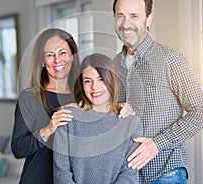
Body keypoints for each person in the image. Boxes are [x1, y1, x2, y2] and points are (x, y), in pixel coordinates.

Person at [112, 0, 203, 184]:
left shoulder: (170, 59)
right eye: (120, 16)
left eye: (134, 16)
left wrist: (156, 144)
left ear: (148, 19)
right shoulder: (114, 65)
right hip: (126, 176)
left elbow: (201, 112)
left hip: (165, 174)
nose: (125, 24)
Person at [53, 53, 143, 184]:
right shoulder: (67, 118)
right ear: (82, 85)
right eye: (88, 81)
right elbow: (62, 174)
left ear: (112, 80)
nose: (94, 87)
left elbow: (129, 174)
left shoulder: (131, 123)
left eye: (101, 79)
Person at [11, 28, 80, 184]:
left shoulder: (83, 95)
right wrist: (47, 129)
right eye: (50, 55)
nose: (57, 60)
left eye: (63, 52)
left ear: (72, 56)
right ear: (42, 61)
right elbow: (17, 148)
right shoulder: (29, 98)